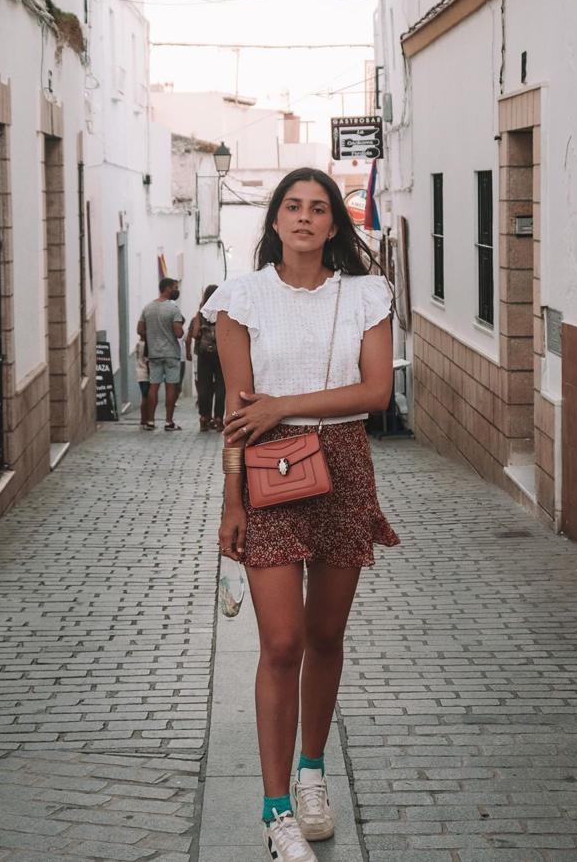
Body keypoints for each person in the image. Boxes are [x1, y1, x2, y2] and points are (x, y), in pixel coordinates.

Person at [201, 168, 400, 862]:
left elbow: (375, 391)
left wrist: (284, 405)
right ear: (276, 219)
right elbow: (237, 412)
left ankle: (313, 771)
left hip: (343, 466)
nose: (306, 218)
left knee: (326, 635)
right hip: (267, 470)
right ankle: (276, 808)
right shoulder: (242, 298)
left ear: (335, 226)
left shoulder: (366, 295)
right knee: (281, 642)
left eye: (319, 208)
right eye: (293, 206)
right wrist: (231, 503)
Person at [137, 277, 184, 432]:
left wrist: (151, 335)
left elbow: (139, 330)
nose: (177, 290)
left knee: (153, 387)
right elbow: (178, 333)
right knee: (171, 387)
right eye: (175, 287)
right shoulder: (173, 309)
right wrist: (181, 329)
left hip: (154, 354)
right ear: (168, 288)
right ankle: (168, 422)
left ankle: (150, 421)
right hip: (171, 354)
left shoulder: (148, 308)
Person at [189, 284, 226, 432]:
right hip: (221, 355)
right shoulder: (223, 312)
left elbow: (195, 334)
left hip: (204, 355)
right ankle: (218, 419)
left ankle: (204, 418)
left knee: (204, 386)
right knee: (221, 387)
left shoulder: (201, 313)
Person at [135, 338, 151, 429]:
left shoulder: (138, 343)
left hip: (139, 373)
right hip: (145, 374)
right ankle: (145, 419)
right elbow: (147, 360)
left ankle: (143, 419)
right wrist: (151, 375)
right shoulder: (145, 345)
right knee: (146, 398)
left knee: (144, 397)